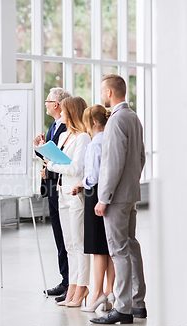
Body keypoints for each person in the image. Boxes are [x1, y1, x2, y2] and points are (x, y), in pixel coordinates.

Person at [91, 75, 146, 324]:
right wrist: (131, 183)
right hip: (130, 194)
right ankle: (137, 303)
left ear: (110, 92)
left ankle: (122, 308)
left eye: (103, 91)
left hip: (115, 198)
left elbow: (112, 164)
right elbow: (141, 157)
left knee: (119, 251)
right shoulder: (133, 117)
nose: (102, 95)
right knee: (131, 246)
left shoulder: (115, 120)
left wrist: (104, 198)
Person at [44, 96, 91, 308]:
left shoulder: (83, 137)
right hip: (62, 192)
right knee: (69, 244)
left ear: (71, 112)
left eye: (63, 111)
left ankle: (83, 285)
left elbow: (75, 169)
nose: (60, 113)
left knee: (79, 244)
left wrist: (52, 165)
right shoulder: (64, 135)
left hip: (75, 194)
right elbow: (60, 161)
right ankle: (72, 284)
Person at [71, 104, 115, 312]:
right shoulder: (110, 139)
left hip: (95, 195)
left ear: (92, 122)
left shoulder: (94, 144)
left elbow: (93, 177)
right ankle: (109, 291)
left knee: (97, 248)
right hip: (108, 195)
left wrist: (81, 183)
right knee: (109, 248)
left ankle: (96, 294)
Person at [34, 87, 72, 302]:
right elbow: (50, 157)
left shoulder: (67, 128)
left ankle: (70, 282)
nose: (46, 104)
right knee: (58, 235)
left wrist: (49, 166)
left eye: (48, 101)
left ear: (56, 105)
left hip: (61, 185)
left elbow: (62, 159)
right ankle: (64, 279)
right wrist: (39, 147)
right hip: (51, 185)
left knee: (66, 236)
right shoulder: (53, 126)